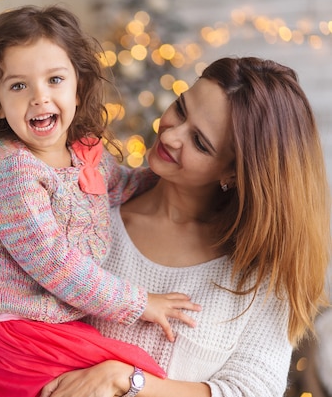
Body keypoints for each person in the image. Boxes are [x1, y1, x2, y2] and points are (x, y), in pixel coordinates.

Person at [40, 56, 331, 397]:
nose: (172, 135)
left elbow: (253, 390)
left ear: (234, 174)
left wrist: (127, 380)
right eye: (180, 108)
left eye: (200, 142)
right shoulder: (90, 212)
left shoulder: (259, 272)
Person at [0, 5, 201, 397]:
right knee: (143, 373)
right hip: (14, 337)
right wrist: (140, 304)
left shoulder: (85, 155)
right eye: (18, 86)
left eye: (54, 80)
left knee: (144, 376)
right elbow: (58, 266)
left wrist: (180, 169)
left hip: (52, 332)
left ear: (77, 87)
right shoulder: (14, 175)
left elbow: (126, 186)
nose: (39, 97)